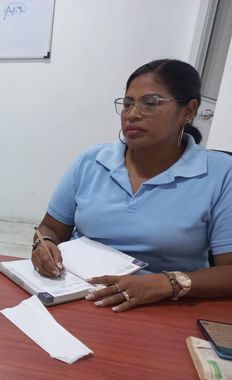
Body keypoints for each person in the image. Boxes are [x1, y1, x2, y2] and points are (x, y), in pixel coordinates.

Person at [31, 59, 232, 312]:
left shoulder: (221, 173)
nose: (132, 114)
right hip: (78, 295)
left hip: (166, 307)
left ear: (188, 111)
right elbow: (50, 228)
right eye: (127, 104)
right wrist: (44, 245)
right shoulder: (91, 161)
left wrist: (168, 283)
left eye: (150, 103)